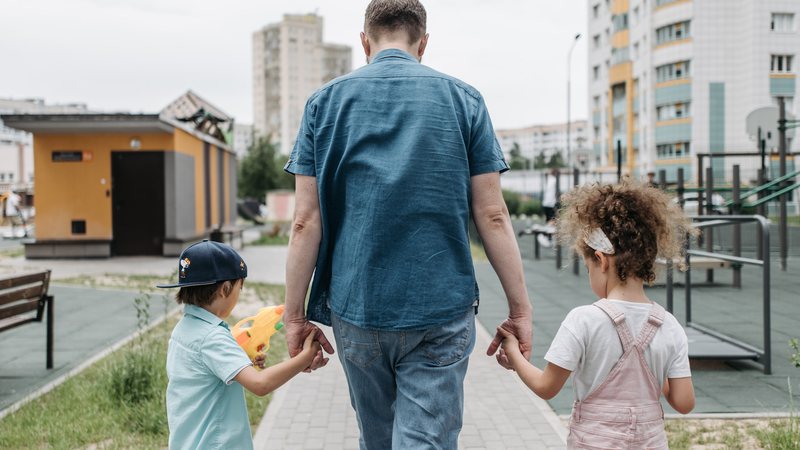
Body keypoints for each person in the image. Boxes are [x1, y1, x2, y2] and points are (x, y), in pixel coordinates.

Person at [282, 0, 532, 447]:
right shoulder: (465, 100)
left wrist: (294, 316)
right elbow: (492, 214)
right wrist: (520, 311)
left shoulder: (324, 104)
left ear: (365, 41)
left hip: (356, 308)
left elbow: (305, 221)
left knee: (375, 439)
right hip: (439, 308)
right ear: (424, 43)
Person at [494, 182, 697, 449]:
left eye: (589, 267)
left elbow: (547, 387)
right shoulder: (669, 325)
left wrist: (514, 354)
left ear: (601, 260)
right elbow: (684, 403)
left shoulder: (584, 320)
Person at [157, 240, 321, 450]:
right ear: (225, 289)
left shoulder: (183, 330)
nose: (238, 295)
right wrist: (305, 357)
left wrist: (240, 362)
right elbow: (260, 384)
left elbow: (202, 370)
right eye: (239, 288)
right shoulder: (212, 337)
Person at [538, 167, 560, 248]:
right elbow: (556, 193)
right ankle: (543, 233)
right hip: (551, 203)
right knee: (553, 221)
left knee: (551, 221)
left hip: (546, 203)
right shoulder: (554, 180)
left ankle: (549, 237)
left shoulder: (549, 179)